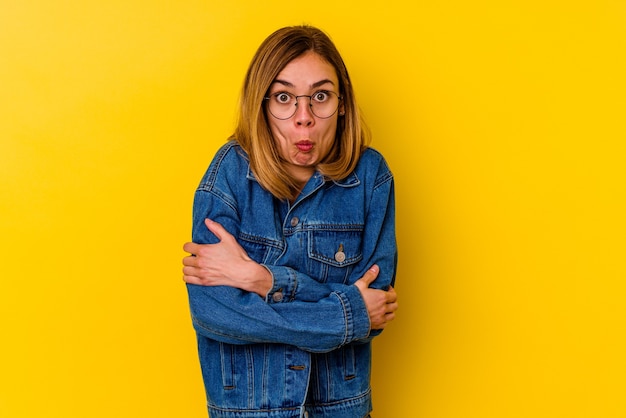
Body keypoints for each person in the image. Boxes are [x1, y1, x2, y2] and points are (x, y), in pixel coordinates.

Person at [182, 25, 398, 418]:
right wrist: (343, 314)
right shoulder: (229, 175)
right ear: (262, 105)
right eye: (284, 98)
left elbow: (377, 308)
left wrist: (261, 281)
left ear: (343, 102)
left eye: (320, 96)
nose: (304, 119)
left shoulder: (371, 177)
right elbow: (214, 313)